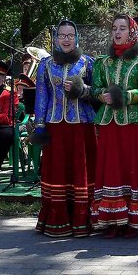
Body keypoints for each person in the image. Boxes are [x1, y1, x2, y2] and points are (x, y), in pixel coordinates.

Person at [92, 14, 138, 237]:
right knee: (111, 169)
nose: (117, 32)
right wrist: (102, 95)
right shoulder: (103, 62)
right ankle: (113, 219)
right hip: (108, 123)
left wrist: (122, 96)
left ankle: (132, 221)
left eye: (122, 28)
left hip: (132, 123)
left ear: (132, 32)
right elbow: (95, 89)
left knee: (132, 167)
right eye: (114, 28)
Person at [31, 20, 97, 238]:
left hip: (82, 126)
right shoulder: (46, 64)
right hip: (55, 125)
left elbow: (98, 93)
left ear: (76, 37)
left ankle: (82, 220)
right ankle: (57, 219)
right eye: (62, 35)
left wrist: (83, 89)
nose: (66, 39)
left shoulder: (88, 62)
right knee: (57, 169)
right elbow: (42, 95)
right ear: (56, 38)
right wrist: (40, 125)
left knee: (81, 170)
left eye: (70, 35)